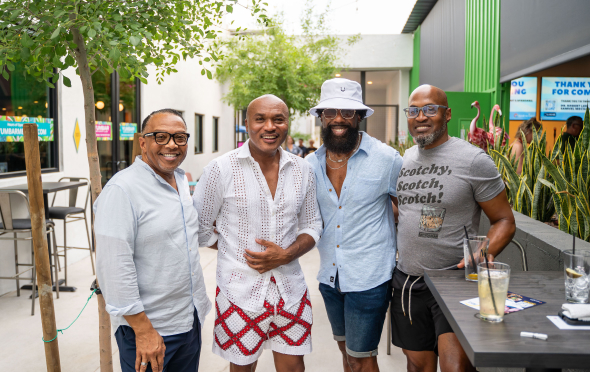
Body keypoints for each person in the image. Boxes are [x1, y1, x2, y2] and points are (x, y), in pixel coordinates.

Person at [392, 85, 516, 372]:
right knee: (418, 366)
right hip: (409, 281)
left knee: (456, 367)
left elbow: (505, 221)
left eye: (430, 109)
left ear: (447, 114)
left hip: (455, 282)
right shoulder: (405, 159)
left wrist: (483, 252)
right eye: (413, 110)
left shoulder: (474, 160)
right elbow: (405, 210)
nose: (420, 116)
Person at [194, 94, 322, 371]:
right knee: (242, 367)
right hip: (239, 291)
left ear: (287, 124)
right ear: (247, 124)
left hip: (291, 290)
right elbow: (202, 230)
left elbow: (313, 224)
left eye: (278, 119)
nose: (270, 127)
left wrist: (285, 255)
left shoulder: (303, 169)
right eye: (260, 119)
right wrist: (236, 248)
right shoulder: (220, 169)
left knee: (294, 367)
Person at [95, 109, 211, 372]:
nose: (171, 144)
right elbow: (113, 268)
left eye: (180, 137)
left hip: (187, 319)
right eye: (161, 136)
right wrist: (143, 330)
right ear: (142, 141)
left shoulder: (180, 180)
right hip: (150, 329)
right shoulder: (122, 190)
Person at [306, 78, 403, 372]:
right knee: (346, 354)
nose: (338, 119)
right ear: (321, 117)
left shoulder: (387, 159)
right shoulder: (309, 165)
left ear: (359, 117)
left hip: (370, 277)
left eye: (347, 112)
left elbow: (409, 209)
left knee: (362, 359)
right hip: (330, 277)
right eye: (331, 112)